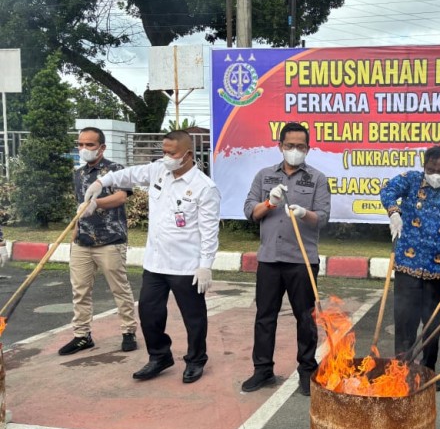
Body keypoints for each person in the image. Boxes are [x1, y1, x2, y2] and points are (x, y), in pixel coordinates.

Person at [84, 130, 220, 383]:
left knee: (194, 317)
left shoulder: (204, 187)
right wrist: (101, 183)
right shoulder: (158, 170)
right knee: (149, 313)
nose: (166, 157)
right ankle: (159, 356)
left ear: (188, 155)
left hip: (186, 266)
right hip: (156, 263)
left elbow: (209, 231)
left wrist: (205, 266)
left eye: (172, 153)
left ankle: (196, 360)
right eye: (164, 152)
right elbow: (129, 174)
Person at [241, 122, 331, 396]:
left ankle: (307, 370)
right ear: (280, 146)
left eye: (300, 146)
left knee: (305, 318)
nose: (295, 150)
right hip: (269, 259)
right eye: (289, 145)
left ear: (308, 148)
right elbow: (249, 211)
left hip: (301, 261)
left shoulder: (317, 178)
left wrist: (305, 213)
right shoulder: (264, 176)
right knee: (265, 317)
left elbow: (323, 218)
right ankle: (263, 370)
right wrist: (269, 203)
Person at [380, 145, 440, 392]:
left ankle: (429, 371)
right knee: (405, 322)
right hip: (407, 267)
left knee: (432, 326)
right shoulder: (411, 181)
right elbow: (387, 191)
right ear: (424, 167)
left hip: (438, 270)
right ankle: (402, 371)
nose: (435, 174)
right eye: (431, 169)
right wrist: (394, 213)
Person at [59, 127, 138, 355]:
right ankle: (82, 336)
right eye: (81, 144)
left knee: (119, 289)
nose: (84, 149)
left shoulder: (115, 170)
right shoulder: (78, 173)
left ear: (102, 147)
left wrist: (97, 203)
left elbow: (121, 197)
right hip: (82, 242)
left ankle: (128, 331)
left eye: (90, 145)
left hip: (110, 240)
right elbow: (78, 208)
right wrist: (74, 235)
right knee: (80, 291)